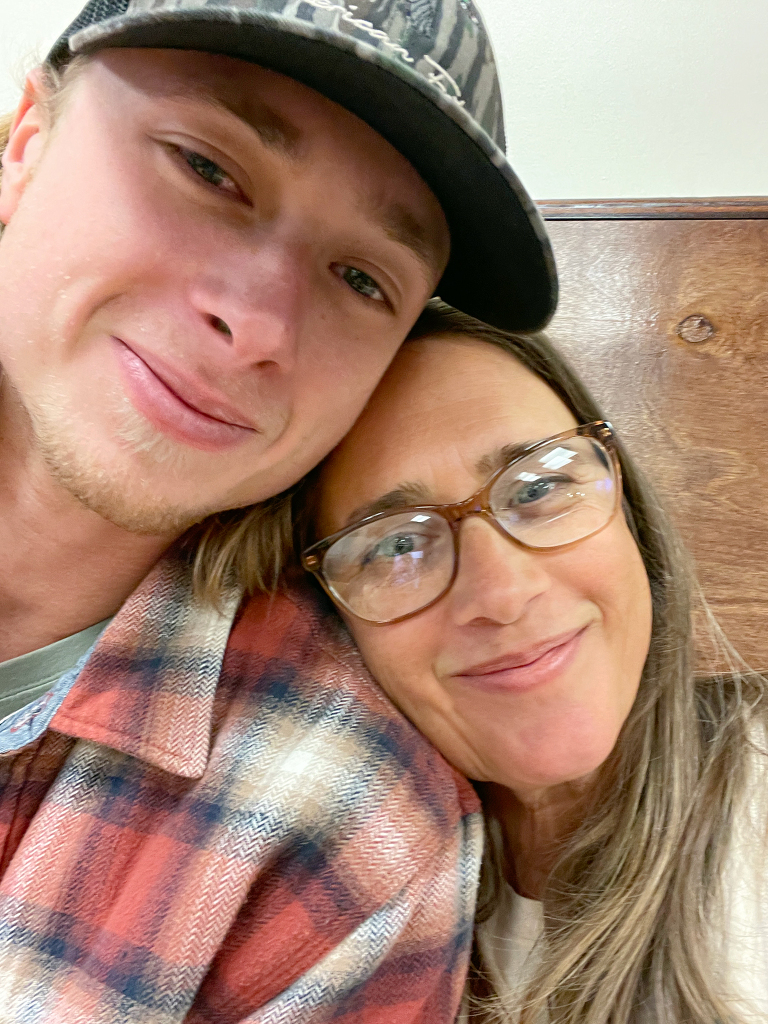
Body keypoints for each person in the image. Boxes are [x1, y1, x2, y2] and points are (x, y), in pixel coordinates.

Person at [0, 1, 559, 1020]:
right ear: (25, 145)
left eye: (361, 278)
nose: (258, 325)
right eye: (207, 168)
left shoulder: (348, 834)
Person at [299, 301, 768, 1024]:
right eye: (396, 544)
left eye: (539, 487)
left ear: (630, 513)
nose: (503, 594)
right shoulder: (347, 907)